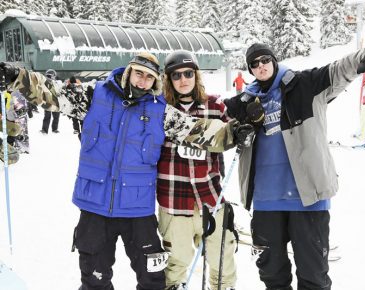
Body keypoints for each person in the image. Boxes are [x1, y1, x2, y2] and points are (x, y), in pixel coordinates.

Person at [0, 51, 253, 290]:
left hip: (138, 209)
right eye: (139, 74)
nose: (143, 81)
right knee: (94, 279)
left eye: (149, 77)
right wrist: (16, 77)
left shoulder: (160, 112)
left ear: (155, 82)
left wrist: (233, 133)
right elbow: (50, 92)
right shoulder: (94, 97)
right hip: (95, 206)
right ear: (129, 72)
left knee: (153, 279)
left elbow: (198, 131)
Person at [223, 43, 365, 290]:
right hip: (266, 201)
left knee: (313, 276)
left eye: (264, 60)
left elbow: (338, 70)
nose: (260, 66)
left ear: (274, 59)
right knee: (272, 277)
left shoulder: (304, 85)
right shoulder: (244, 102)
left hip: (307, 199)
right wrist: (239, 129)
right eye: (254, 63)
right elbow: (211, 117)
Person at [157, 50, 237, 290]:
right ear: (168, 80)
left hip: (209, 198)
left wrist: (243, 125)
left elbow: (238, 127)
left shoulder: (215, 106)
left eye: (188, 73)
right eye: (177, 75)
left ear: (196, 75)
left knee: (222, 258)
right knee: (176, 262)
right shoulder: (159, 109)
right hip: (173, 200)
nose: (183, 80)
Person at [40, 69, 61, 134]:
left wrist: (59, 93)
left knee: (56, 116)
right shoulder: (44, 83)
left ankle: (54, 129)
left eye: (52, 76)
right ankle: (44, 130)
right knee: (47, 115)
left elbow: (59, 90)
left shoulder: (57, 83)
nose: (50, 77)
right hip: (47, 101)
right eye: (48, 76)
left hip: (56, 101)